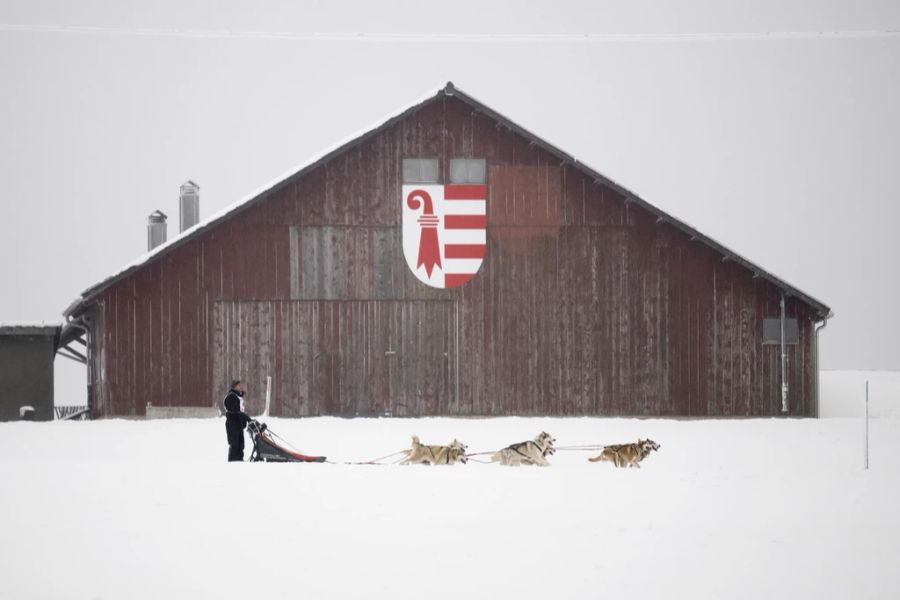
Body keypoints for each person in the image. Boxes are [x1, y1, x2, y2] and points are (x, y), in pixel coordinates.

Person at [223, 379, 251, 462]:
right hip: (232, 424)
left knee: (241, 444)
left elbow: (240, 410)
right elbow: (235, 411)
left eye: (240, 385)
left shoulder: (238, 396)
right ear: (234, 386)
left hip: (239, 424)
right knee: (234, 444)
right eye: (238, 385)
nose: (240, 387)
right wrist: (245, 417)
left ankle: (239, 460)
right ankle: (233, 461)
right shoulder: (230, 397)